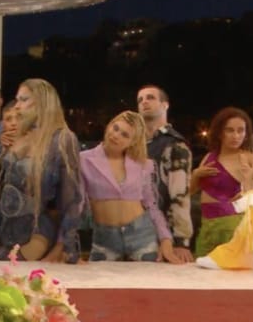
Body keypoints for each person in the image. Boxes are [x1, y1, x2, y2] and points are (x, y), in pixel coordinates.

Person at [0, 79, 83, 263]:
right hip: (1, 229)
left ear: (42, 102)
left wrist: (64, 247)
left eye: (23, 99)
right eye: (17, 99)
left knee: (24, 283)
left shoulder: (61, 139)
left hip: (36, 231)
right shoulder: (17, 134)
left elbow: (71, 199)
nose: (17, 106)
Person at [79, 112, 190, 263]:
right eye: (115, 128)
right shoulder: (83, 159)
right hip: (104, 239)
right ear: (109, 126)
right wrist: (67, 246)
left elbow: (152, 205)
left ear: (132, 141)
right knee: (101, 285)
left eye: (124, 134)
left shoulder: (144, 164)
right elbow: (75, 204)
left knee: (148, 285)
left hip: (142, 235)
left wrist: (165, 239)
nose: (115, 135)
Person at [191, 107, 253, 257]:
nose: (236, 136)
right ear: (219, 132)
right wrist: (196, 174)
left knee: (231, 275)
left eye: (240, 131)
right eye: (230, 130)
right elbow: (190, 192)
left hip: (232, 224)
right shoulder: (210, 156)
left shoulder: (249, 158)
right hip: (207, 225)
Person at [136, 85, 194, 254]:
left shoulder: (174, 145)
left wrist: (181, 241)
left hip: (163, 237)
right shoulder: (133, 144)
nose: (144, 102)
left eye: (150, 97)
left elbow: (180, 196)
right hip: (133, 231)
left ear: (165, 105)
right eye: (140, 100)